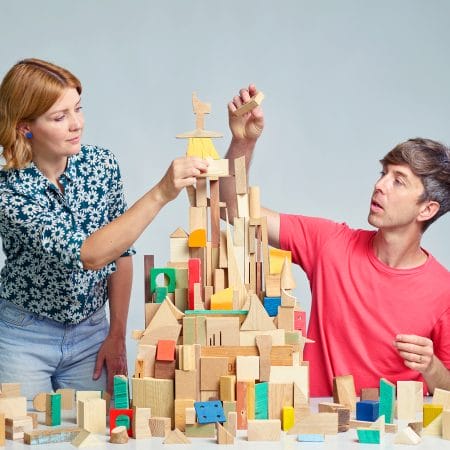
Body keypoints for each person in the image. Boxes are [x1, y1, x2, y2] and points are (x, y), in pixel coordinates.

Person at [221, 84, 450, 396]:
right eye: (383, 173)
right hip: (319, 433)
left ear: (427, 208)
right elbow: (234, 210)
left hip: (394, 440)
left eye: (398, 181)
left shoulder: (443, 290)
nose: (379, 185)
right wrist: (243, 142)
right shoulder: (330, 243)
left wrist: (433, 367)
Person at [0, 58, 208, 400]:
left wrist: (116, 333)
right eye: (59, 117)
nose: (76, 124)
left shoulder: (101, 164)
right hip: (24, 337)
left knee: (95, 431)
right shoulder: (10, 191)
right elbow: (91, 254)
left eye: (78, 109)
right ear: (25, 127)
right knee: (28, 434)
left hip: (90, 333)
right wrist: (161, 193)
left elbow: (120, 252)